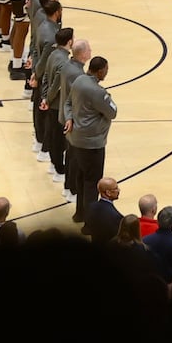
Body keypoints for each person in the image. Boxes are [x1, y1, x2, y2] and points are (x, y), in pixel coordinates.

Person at [65, 54, 116, 221]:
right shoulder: (98, 91)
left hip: (76, 140)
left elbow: (67, 103)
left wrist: (68, 117)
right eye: (106, 70)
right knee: (92, 183)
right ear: (100, 71)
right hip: (92, 144)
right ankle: (90, 221)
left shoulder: (79, 80)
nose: (106, 73)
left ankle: (79, 214)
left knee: (80, 179)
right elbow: (112, 112)